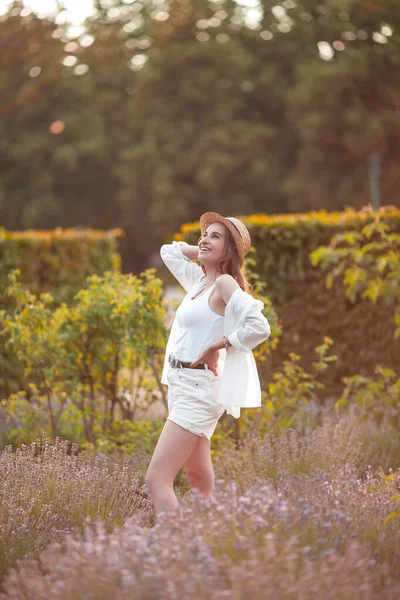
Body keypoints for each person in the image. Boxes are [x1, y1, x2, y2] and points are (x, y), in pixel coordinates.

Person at [145, 212, 271, 517]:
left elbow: (259, 326)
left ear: (229, 252)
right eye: (205, 234)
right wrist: (202, 250)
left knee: (156, 480)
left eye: (216, 236)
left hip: (199, 391)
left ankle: (177, 550)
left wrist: (221, 343)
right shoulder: (200, 281)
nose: (204, 239)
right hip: (181, 383)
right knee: (199, 480)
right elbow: (169, 251)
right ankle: (213, 540)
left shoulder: (225, 284)